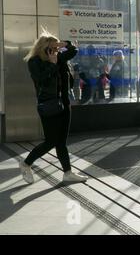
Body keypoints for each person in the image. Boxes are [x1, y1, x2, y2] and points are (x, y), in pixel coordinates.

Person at [20, 31, 88, 184]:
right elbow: (40, 80)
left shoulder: (59, 58)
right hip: (49, 104)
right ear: (44, 48)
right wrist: (51, 64)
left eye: (56, 49)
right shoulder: (34, 61)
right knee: (51, 141)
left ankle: (68, 173)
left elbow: (73, 51)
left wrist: (65, 43)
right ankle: (26, 164)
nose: (56, 52)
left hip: (64, 104)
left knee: (61, 142)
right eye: (52, 48)